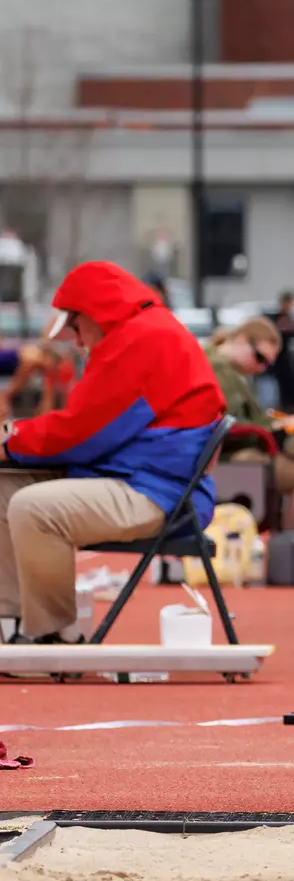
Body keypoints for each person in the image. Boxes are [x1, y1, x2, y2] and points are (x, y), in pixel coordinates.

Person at [0, 262, 226, 645]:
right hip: (142, 477)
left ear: (92, 312)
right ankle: (12, 621)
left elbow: (82, 432)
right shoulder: (142, 332)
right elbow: (90, 430)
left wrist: (9, 440)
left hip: (158, 492)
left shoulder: (139, 340)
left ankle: (49, 636)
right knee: (4, 489)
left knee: (31, 507)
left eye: (74, 327)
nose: (77, 341)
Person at [206, 317, 294, 532]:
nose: (261, 367)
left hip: (222, 452)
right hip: (221, 457)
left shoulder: (223, 367)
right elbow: (226, 423)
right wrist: (276, 429)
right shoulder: (220, 370)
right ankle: (288, 551)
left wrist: (279, 424)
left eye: (266, 364)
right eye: (259, 358)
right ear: (241, 339)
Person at [265, 290, 294, 412]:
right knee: (278, 383)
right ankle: (282, 406)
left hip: (286, 356)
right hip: (276, 357)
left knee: (290, 382)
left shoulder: (289, 318)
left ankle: (292, 406)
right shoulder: (275, 318)